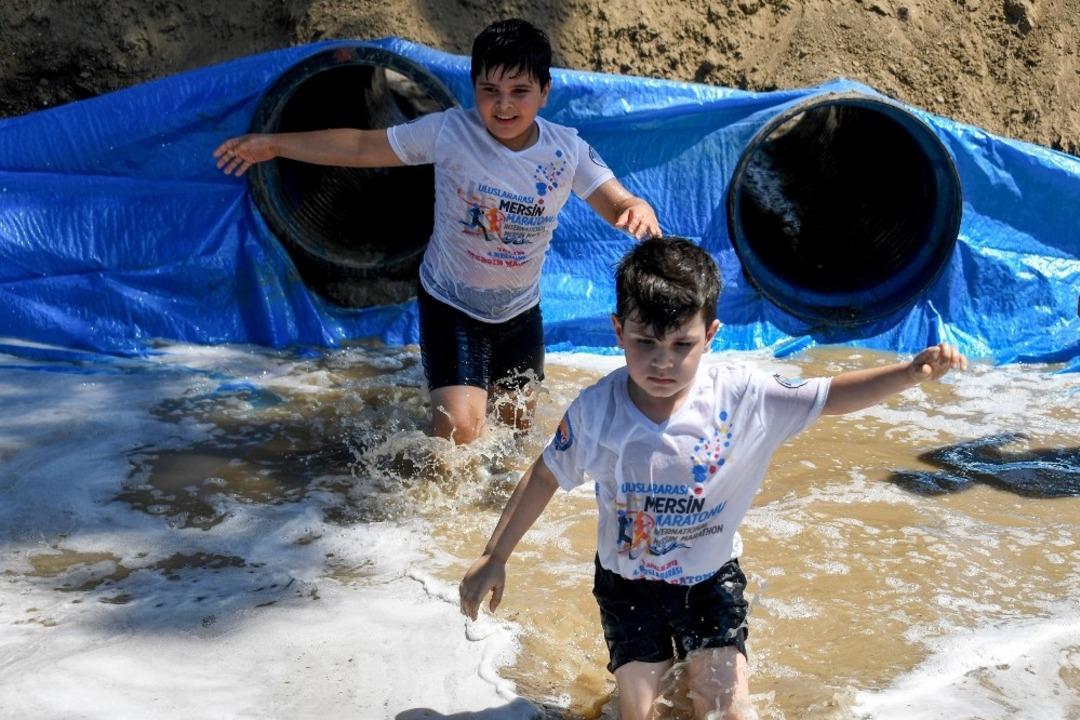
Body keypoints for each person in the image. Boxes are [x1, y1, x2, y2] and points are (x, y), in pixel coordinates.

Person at [458, 236, 967, 719]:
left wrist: (906, 373)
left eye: (682, 344)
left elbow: (830, 395)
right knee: (640, 713)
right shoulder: (598, 411)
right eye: (645, 342)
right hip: (626, 587)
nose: (663, 361)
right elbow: (545, 474)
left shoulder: (743, 396)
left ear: (711, 336)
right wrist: (494, 554)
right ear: (618, 331)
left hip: (709, 582)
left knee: (725, 709)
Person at [213, 19, 660, 445]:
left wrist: (633, 207)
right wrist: (274, 144)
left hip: (518, 312)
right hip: (452, 304)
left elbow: (614, 199)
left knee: (513, 437)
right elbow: (362, 146)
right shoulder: (449, 132)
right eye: (490, 91)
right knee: (460, 437)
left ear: (544, 91)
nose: (503, 105)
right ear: (473, 88)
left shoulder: (567, 150)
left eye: (519, 91)